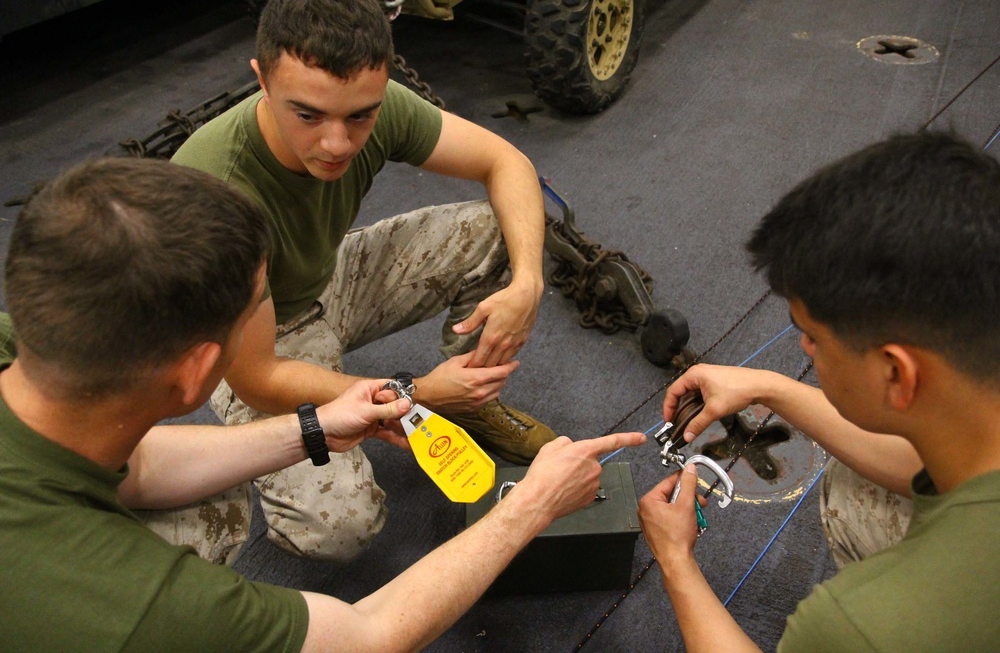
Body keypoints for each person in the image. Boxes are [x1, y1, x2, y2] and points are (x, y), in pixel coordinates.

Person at [0, 156, 645, 652]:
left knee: (206, 492)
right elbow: (367, 635)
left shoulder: (22, 355)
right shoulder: (125, 601)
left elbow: (131, 465)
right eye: (258, 312)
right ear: (198, 370)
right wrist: (532, 505)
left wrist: (311, 428)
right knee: (211, 518)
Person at [169, 0, 557, 563]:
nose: (336, 143)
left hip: (329, 276)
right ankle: (254, 456)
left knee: (504, 232)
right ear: (262, 79)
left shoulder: (378, 104)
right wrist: (416, 395)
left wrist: (528, 282)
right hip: (248, 341)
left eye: (360, 116)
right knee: (341, 530)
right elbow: (258, 376)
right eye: (307, 114)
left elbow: (508, 162)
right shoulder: (216, 190)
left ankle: (468, 400)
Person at [637, 131, 1000, 651]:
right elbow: (923, 467)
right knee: (858, 487)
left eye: (814, 335)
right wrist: (771, 387)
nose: (804, 346)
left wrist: (676, 562)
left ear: (896, 373)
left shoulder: (860, 624)